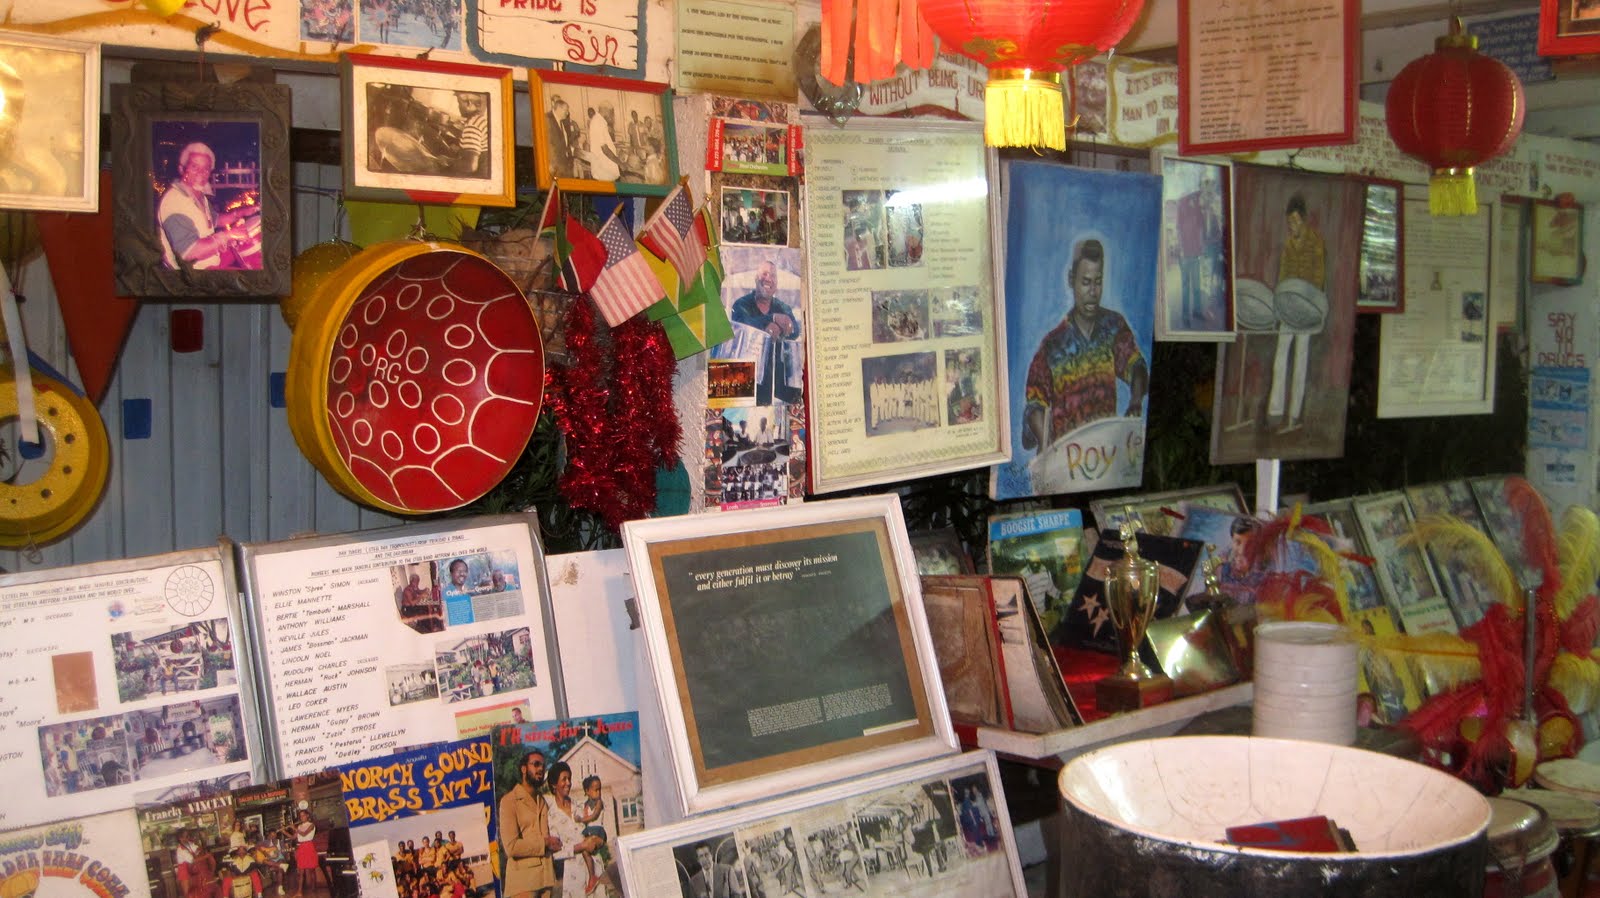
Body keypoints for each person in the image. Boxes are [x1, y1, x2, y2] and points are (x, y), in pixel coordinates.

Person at [1022, 239, 1148, 453]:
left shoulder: (1114, 328)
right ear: (1072, 280)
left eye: (1098, 282)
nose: (1093, 291)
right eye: (1086, 282)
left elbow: (1136, 366)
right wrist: (1046, 444)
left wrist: (1136, 401)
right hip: (1064, 459)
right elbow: (1035, 404)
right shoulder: (1052, 346)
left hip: (1105, 454)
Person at [1267, 193, 1325, 433]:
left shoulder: (1315, 243)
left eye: (1296, 222)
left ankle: (1294, 412)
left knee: (1300, 359)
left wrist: (1308, 304)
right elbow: (1283, 275)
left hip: (1308, 308)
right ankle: (1275, 409)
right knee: (1281, 358)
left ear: (1304, 220)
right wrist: (1281, 304)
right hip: (1290, 307)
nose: (1293, 226)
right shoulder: (1289, 244)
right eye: (1290, 223)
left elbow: (1319, 278)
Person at [158, 141, 260, 271]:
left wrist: (239, 213)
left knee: (253, 254)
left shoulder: (197, 194)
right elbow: (188, 253)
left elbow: (215, 220)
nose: (201, 172)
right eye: (194, 167)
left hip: (208, 260)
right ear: (181, 169)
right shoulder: (174, 202)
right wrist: (228, 235)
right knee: (249, 279)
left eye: (206, 168)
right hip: (190, 273)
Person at [730, 261, 801, 405]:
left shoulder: (783, 307)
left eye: (773, 275)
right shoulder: (741, 304)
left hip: (777, 386)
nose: (769, 278)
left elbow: (795, 330)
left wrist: (786, 327)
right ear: (756, 279)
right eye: (764, 274)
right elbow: (744, 323)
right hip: (747, 382)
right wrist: (771, 320)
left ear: (776, 284)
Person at [498, 749, 559, 898]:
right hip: (522, 883)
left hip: (546, 880)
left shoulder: (543, 801)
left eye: (543, 766)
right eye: (536, 764)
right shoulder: (509, 801)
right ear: (524, 769)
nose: (540, 769)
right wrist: (544, 843)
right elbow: (511, 847)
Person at [542, 762, 607, 898]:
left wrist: (599, 841)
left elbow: (599, 828)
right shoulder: (551, 816)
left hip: (595, 867)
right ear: (554, 784)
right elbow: (556, 853)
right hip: (574, 875)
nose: (568, 783)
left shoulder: (581, 806)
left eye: (569, 779)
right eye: (564, 779)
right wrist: (581, 846)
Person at [573, 775, 614, 895]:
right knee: (585, 851)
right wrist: (579, 819)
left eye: (600, 789)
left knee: (585, 846)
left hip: (598, 833)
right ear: (587, 791)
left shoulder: (599, 803)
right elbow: (585, 819)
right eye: (596, 790)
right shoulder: (585, 805)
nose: (599, 792)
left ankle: (598, 876)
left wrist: (581, 819)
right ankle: (592, 876)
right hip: (590, 831)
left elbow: (594, 816)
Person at [454, 92, 488, 179]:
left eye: (459, 103)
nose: (458, 107)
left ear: (469, 103)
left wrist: (449, 162)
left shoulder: (472, 126)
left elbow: (470, 167)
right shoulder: (481, 120)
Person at [545, 96, 579, 179]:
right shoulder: (547, 119)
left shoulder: (562, 121)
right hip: (556, 165)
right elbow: (548, 144)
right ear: (559, 109)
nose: (567, 113)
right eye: (566, 110)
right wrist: (552, 164)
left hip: (565, 162)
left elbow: (564, 141)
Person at [587, 104, 622, 182]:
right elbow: (605, 149)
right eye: (612, 113)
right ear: (606, 111)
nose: (612, 115)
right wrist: (620, 163)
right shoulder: (598, 122)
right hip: (604, 172)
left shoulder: (600, 121)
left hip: (604, 169)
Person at [290, 809, 317, 898]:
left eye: (303, 815)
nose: (302, 817)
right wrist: (284, 831)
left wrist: (295, 828)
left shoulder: (311, 825)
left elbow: (305, 834)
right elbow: (293, 837)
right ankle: (299, 891)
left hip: (309, 846)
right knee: (301, 871)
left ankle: (313, 887)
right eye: (300, 816)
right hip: (301, 848)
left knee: (312, 869)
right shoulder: (299, 826)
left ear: (307, 816)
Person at [441, 559, 474, 626]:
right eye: (458, 571)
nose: (462, 574)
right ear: (451, 573)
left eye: (464, 571)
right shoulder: (444, 594)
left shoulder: (470, 592)